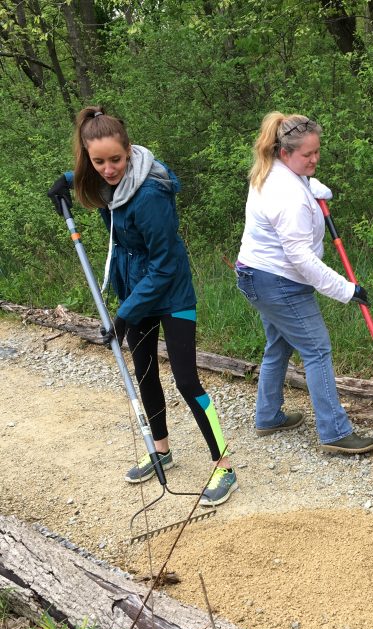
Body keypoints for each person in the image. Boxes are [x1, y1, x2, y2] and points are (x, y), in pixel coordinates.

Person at [47, 106, 236, 506]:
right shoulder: (102, 181)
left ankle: (224, 466)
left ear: (129, 151)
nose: (108, 169)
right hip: (136, 291)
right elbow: (89, 180)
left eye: (115, 159)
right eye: (98, 162)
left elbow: (165, 265)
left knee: (186, 380)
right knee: (145, 371)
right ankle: (161, 449)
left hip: (171, 293)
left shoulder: (149, 194)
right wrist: (65, 182)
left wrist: (124, 313)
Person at [235, 111, 373, 454]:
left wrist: (314, 186)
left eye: (317, 152)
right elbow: (301, 258)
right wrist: (347, 289)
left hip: (255, 274)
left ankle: (268, 417)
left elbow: (301, 185)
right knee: (317, 349)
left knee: (279, 346)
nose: (314, 159)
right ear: (285, 153)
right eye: (307, 155)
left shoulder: (274, 172)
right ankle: (334, 432)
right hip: (278, 281)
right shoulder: (288, 194)